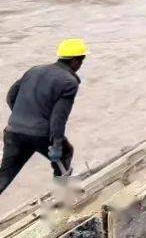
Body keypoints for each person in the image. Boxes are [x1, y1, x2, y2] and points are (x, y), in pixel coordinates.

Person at [1, 39, 86, 195]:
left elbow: (11, 96)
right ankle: (60, 198)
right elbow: (59, 117)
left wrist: (22, 118)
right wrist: (57, 144)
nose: (80, 65)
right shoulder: (69, 81)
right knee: (66, 153)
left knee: (4, 176)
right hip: (40, 135)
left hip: (13, 131)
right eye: (81, 60)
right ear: (75, 60)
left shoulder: (34, 70)